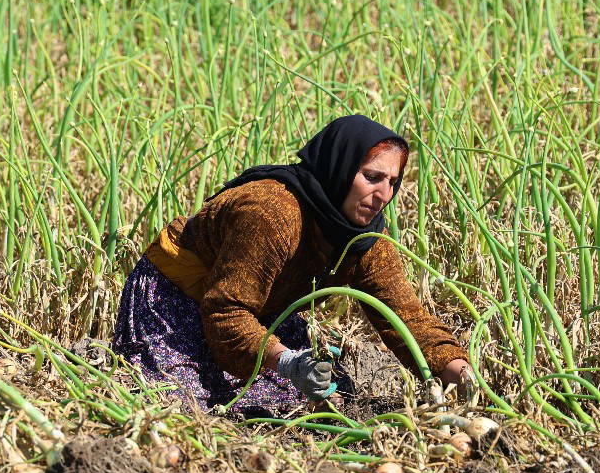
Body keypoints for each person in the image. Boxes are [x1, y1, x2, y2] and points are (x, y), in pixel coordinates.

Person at [112, 115, 475, 411]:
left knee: (325, 399)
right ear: (339, 167)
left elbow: (406, 316)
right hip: (177, 297)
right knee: (187, 402)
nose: (384, 195)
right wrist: (287, 362)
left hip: (255, 310)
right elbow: (225, 308)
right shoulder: (271, 212)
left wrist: (459, 371)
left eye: (393, 182)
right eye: (372, 177)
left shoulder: (363, 238)